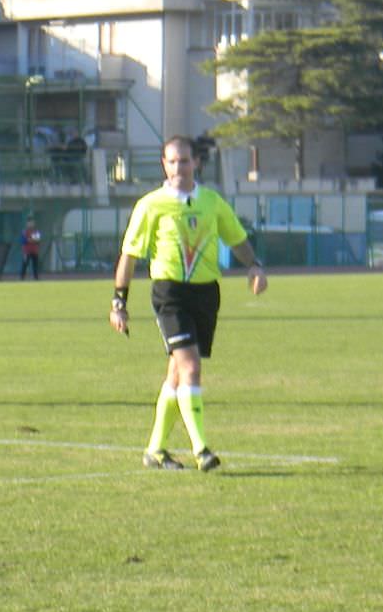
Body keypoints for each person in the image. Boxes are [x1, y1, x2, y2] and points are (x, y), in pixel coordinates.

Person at [110, 135, 267, 473]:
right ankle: (202, 449)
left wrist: (254, 265)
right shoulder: (151, 205)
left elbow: (236, 238)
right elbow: (130, 255)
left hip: (206, 292)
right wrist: (118, 302)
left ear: (196, 162)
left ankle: (155, 450)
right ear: (164, 165)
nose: (178, 167)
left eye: (184, 160)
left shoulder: (211, 202)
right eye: (172, 161)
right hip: (170, 293)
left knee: (178, 373)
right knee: (191, 367)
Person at [18, 214, 42, 281]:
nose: (31, 224)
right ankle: (22, 277)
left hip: (35, 251)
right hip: (27, 252)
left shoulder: (36, 231)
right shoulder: (24, 231)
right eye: (29, 223)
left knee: (35, 265)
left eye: (32, 222)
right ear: (27, 224)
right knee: (25, 264)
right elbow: (24, 241)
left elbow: (37, 240)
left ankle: (36, 277)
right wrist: (31, 239)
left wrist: (30, 239)